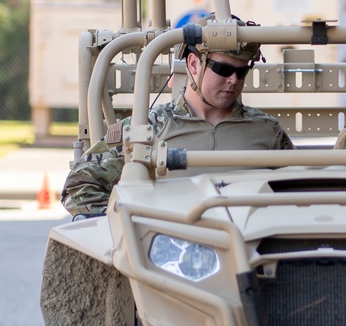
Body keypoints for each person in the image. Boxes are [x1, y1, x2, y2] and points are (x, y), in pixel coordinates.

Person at [62, 17, 295, 217]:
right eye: (223, 70)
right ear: (193, 64)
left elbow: (298, 191)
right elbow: (79, 187)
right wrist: (132, 226)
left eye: (241, 71)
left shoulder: (267, 130)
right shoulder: (146, 128)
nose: (233, 80)